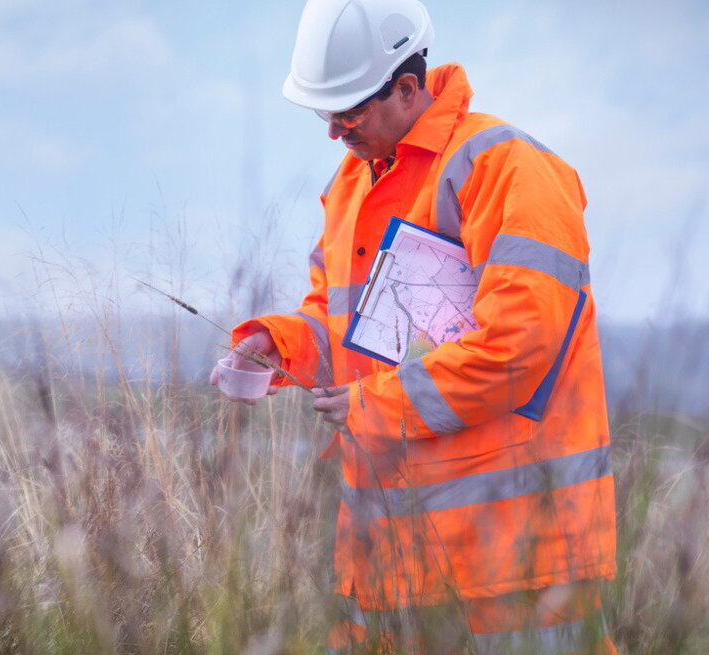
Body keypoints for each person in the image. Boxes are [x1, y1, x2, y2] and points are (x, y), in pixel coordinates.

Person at [209, 0, 617, 652]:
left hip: (514, 567)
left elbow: (520, 348)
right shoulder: (350, 187)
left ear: (407, 87)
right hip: (386, 565)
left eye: (349, 111)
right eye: (325, 113)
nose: (334, 131)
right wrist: (274, 344)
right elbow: (337, 321)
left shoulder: (505, 168)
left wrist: (377, 406)